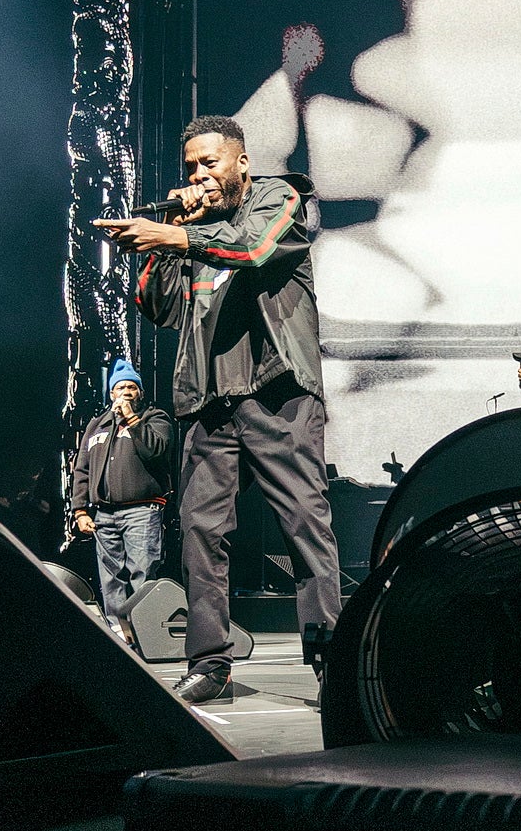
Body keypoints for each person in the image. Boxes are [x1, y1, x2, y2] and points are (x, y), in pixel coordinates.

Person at [101, 116, 343, 705]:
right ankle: (210, 662)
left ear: (240, 162)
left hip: (277, 393)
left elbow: (255, 248)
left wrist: (176, 238)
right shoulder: (194, 230)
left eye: (210, 163)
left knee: (304, 527)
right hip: (209, 404)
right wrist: (170, 233)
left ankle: (334, 662)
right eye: (191, 167)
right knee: (200, 533)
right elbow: (157, 307)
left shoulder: (277, 198)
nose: (199, 176)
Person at [68, 358, 176, 643]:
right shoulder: (97, 425)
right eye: (121, 388)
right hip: (104, 515)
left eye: (132, 387)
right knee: (110, 578)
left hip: (142, 510)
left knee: (142, 573)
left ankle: (147, 634)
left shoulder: (155, 418)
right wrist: (80, 510)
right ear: (111, 393)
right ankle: (119, 635)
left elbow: (156, 451)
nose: (126, 392)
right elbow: (82, 469)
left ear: (140, 392)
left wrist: (132, 419)